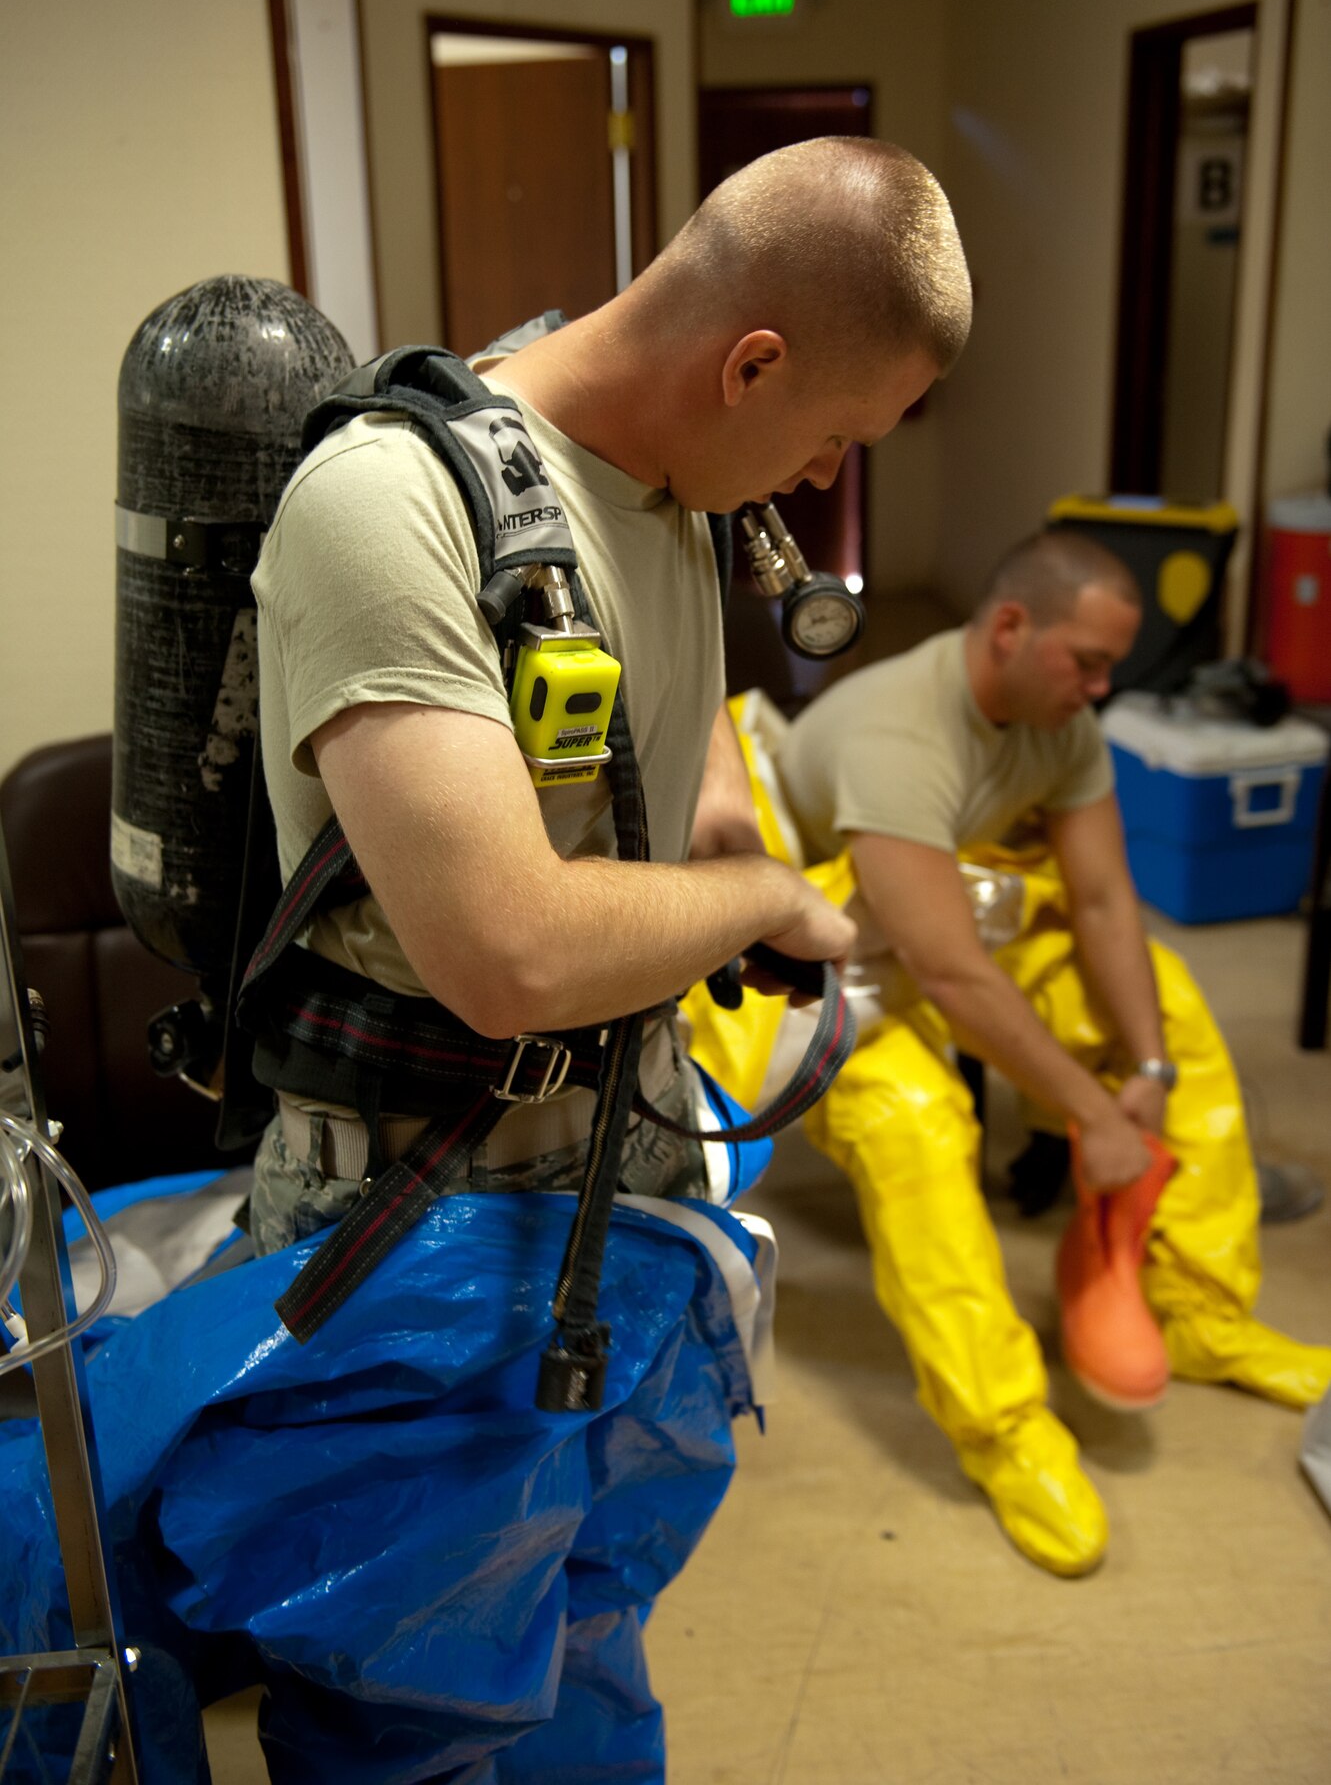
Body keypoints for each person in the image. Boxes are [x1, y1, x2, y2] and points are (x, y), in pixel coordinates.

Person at [239, 138, 972, 1778]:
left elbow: (664, 709)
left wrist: (716, 824)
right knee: (407, 1697)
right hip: (420, 1209)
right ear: (750, 364)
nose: (822, 480)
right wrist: (759, 898)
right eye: (834, 437)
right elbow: (504, 949)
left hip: (616, 1172)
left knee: (583, 1629)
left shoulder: (674, 482)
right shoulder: (389, 506)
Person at [687, 530, 1331, 1580]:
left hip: (949, 900)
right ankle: (1003, 1428)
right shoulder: (900, 730)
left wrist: (1145, 1072)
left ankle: (1199, 1312)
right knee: (910, 1126)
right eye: (1087, 662)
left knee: (1165, 1007)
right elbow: (946, 975)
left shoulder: (1058, 720)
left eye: (1109, 666)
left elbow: (1102, 899)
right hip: (824, 953)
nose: (1102, 687)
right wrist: (1094, 1114)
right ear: (1009, 629)